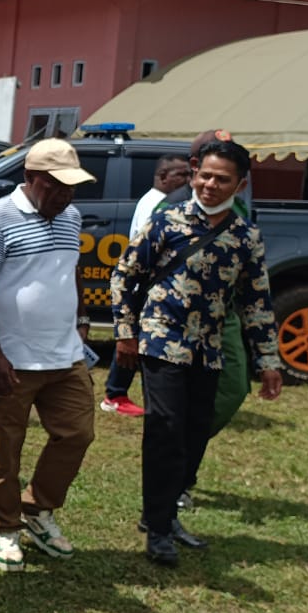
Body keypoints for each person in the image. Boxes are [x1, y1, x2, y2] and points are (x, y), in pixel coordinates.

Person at [110, 137, 284, 566]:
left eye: (221, 179)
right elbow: (124, 275)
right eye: (203, 175)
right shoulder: (167, 221)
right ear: (193, 172)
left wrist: (268, 362)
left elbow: (256, 303)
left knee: (194, 431)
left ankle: (166, 513)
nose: (209, 185)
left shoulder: (246, 238)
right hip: (160, 339)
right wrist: (125, 332)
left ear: (239, 185)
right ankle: (158, 526)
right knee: (166, 429)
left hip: (207, 348)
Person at [0, 139, 97, 573]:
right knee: (6, 449)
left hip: (64, 356)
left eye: (72, 187)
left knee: (77, 433)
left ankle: (37, 509)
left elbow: (70, 269)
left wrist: (81, 322)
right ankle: (4, 528)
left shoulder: (70, 216)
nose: (67, 196)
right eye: (58, 186)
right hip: (11, 360)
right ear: (31, 178)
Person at [102, 154, 192, 418]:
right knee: (135, 341)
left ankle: (118, 392)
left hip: (146, 283)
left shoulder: (157, 201)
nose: (188, 180)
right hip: (145, 283)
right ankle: (115, 393)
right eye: (182, 175)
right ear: (163, 176)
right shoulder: (158, 204)